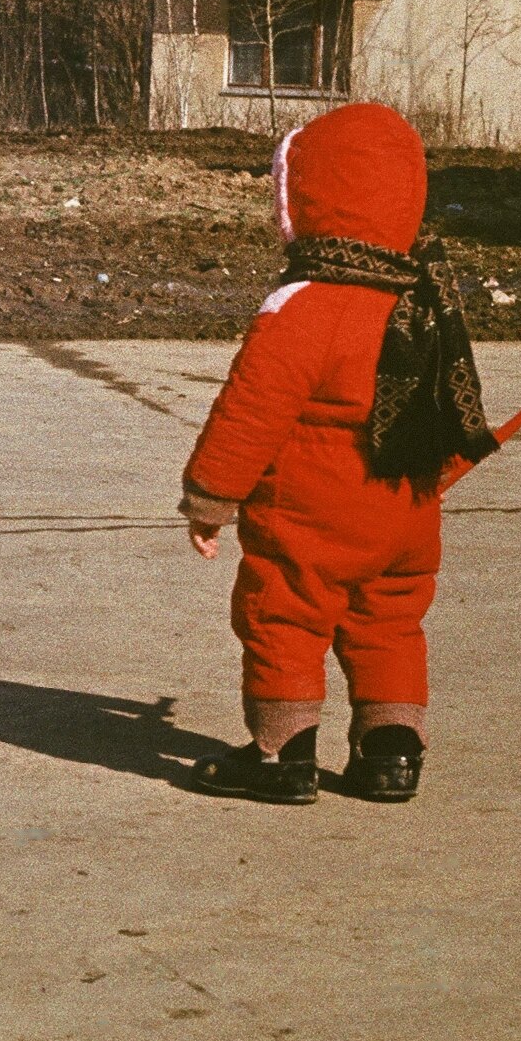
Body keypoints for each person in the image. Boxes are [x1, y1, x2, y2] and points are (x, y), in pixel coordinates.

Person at [176, 102, 501, 807]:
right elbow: (446, 401)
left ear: (307, 201)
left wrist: (211, 495)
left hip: (310, 508)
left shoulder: (306, 304)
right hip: (405, 506)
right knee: (389, 618)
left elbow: (252, 409)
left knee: (284, 612)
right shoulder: (422, 298)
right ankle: (391, 754)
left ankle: (279, 756)